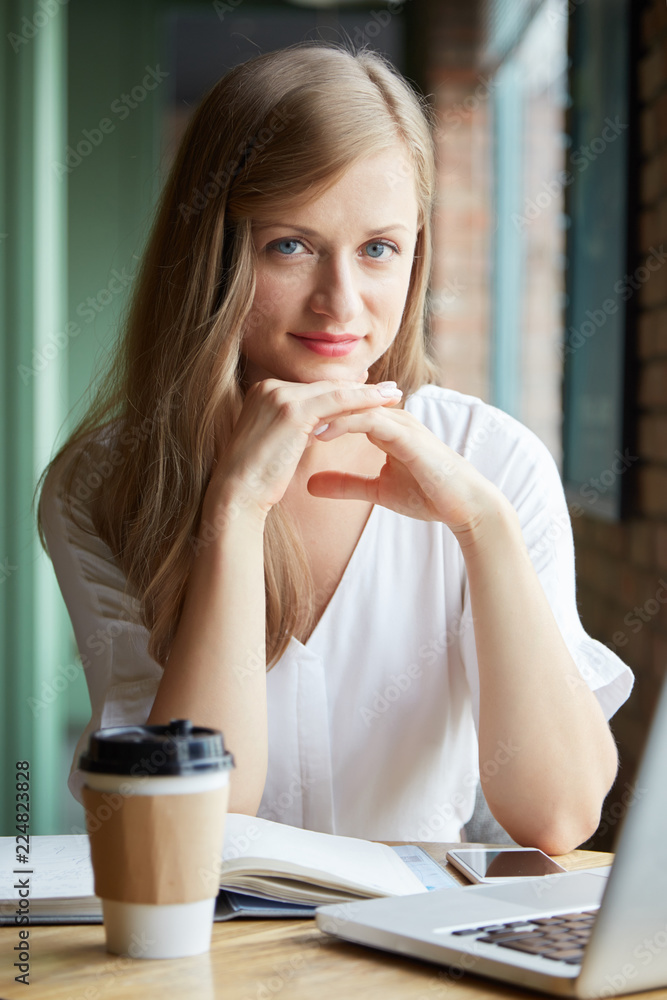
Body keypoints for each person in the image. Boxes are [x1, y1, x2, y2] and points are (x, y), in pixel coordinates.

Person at [39, 43, 633, 853]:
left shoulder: (491, 460)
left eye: (378, 249)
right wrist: (234, 514)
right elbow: (194, 827)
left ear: (415, 253)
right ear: (216, 253)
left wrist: (482, 531)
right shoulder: (105, 482)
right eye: (290, 245)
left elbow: (558, 817)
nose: (340, 304)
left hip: (418, 963)